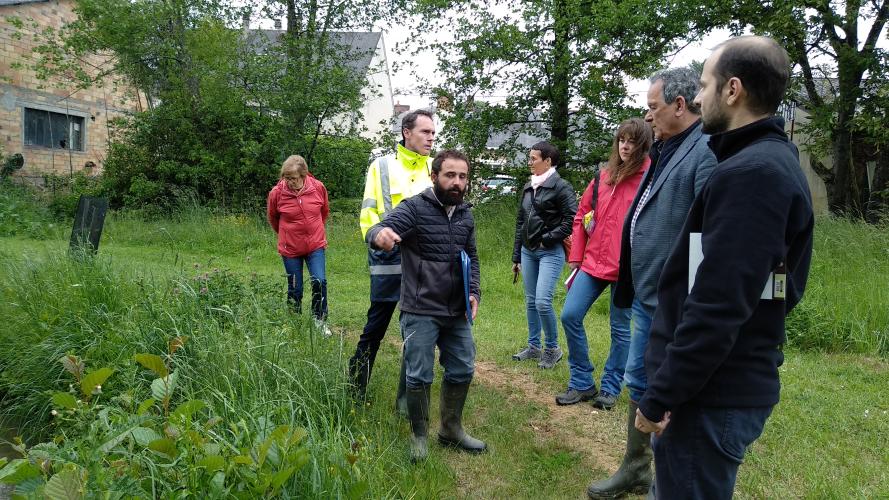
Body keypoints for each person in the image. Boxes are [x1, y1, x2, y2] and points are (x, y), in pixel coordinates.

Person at [634, 36, 814, 499]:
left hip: (712, 394)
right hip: (719, 383)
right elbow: (776, 287)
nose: (696, 97)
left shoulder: (753, 175)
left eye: (705, 84)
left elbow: (718, 302)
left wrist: (661, 395)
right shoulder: (765, 162)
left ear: (732, 90)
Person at [587, 67, 718, 498]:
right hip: (646, 293)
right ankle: (635, 467)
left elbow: (706, 236)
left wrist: (690, 300)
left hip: (673, 301)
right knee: (640, 381)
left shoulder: (704, 151)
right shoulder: (664, 148)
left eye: (653, 108)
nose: (648, 118)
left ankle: (665, 478)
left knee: (667, 389)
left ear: (680, 106)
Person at [366, 149, 486, 462]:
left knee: (462, 368)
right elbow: (380, 226)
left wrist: (473, 291)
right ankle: (419, 436)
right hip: (420, 309)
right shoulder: (415, 208)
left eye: (462, 176)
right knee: (419, 375)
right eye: (450, 175)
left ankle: (451, 429)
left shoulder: (465, 214)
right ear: (434, 177)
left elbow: (471, 257)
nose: (457, 182)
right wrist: (380, 234)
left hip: (456, 309)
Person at [556, 118, 651, 409]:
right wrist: (576, 257)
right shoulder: (604, 176)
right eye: (622, 139)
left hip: (628, 270)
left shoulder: (651, 178)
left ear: (643, 145)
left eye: (632, 141)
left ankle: (610, 388)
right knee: (570, 315)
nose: (625, 146)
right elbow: (581, 215)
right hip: (593, 263)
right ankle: (582, 382)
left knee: (620, 329)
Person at [348, 110, 436, 410]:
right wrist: (377, 234)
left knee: (415, 334)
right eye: (425, 131)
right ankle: (354, 390)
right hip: (388, 261)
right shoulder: (381, 166)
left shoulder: (435, 170)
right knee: (375, 328)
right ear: (406, 132)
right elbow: (368, 213)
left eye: (433, 132)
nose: (431, 137)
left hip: (424, 266)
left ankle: (406, 404)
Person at [511, 142, 577, 369]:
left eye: (533, 158)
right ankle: (533, 347)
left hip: (550, 252)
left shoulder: (561, 186)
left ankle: (552, 348)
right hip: (527, 252)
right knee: (531, 301)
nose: (529, 162)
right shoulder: (528, 186)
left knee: (542, 301)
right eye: (529, 158)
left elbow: (571, 220)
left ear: (548, 161)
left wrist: (546, 239)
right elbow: (521, 222)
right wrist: (516, 257)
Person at [267, 154, 331, 335]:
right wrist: (287, 235)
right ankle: (294, 323)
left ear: (304, 175)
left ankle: (319, 319)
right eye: (286, 178)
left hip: (315, 245)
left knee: (319, 280)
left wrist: (314, 231)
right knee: (295, 287)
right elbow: (273, 218)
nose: (289, 182)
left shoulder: (318, 188)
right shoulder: (277, 193)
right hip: (290, 249)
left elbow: (324, 212)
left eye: (293, 178)